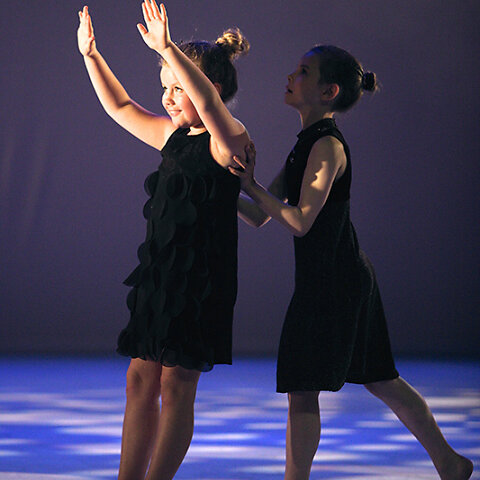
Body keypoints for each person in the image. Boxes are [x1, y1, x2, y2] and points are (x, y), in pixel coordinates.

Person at [229, 45, 473, 480]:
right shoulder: (305, 144)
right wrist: (219, 184)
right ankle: (450, 462)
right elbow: (258, 214)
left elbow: (300, 221)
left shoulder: (326, 147)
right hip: (341, 277)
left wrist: (251, 185)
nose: (291, 76)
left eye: (303, 71)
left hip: (334, 283)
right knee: (379, 378)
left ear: (329, 92)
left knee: (305, 387)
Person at [77, 2, 250, 479]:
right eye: (165, 87)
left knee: (176, 387)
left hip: (200, 283)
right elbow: (120, 107)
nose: (169, 98)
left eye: (178, 88)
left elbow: (209, 106)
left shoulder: (228, 141)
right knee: (139, 379)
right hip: (160, 275)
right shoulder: (171, 137)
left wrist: (169, 48)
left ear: (209, 89)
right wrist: (92, 56)